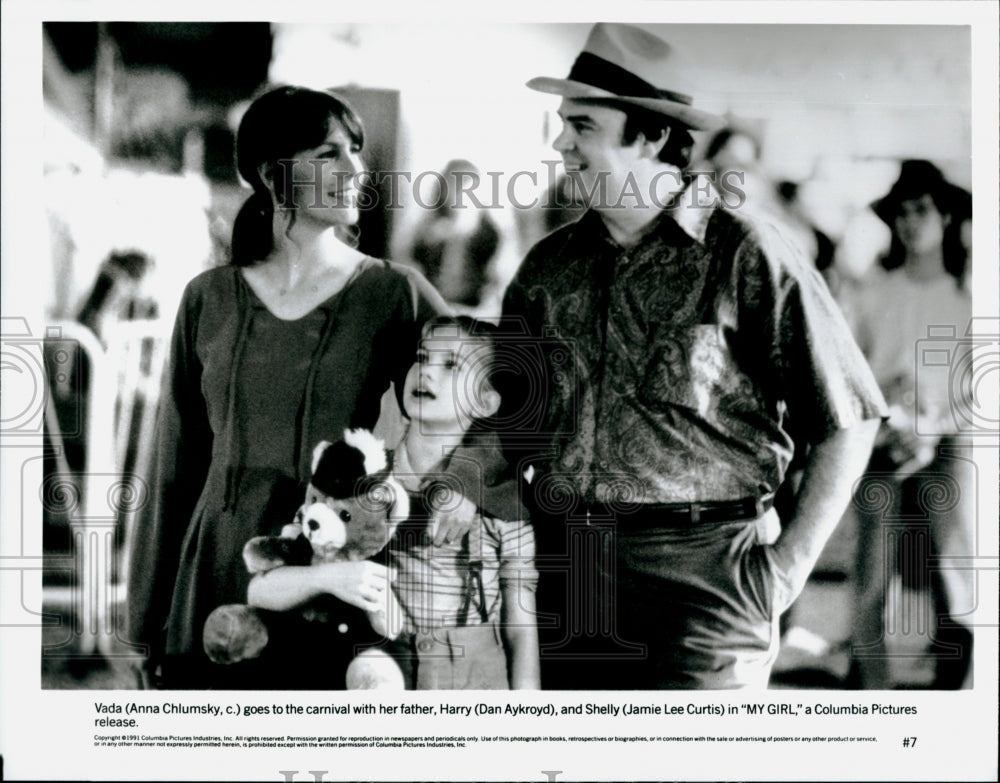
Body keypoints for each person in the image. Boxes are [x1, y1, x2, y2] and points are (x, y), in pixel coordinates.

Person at [498, 23, 888, 689]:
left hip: (710, 576)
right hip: (575, 570)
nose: (560, 142)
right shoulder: (547, 267)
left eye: (582, 124)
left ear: (650, 136)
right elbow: (510, 426)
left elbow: (850, 414)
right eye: (563, 123)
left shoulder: (747, 251)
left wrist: (787, 568)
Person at [126, 85, 452, 689]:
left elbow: (488, 397)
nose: (356, 169)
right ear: (274, 176)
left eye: (355, 150)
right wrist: (146, 619)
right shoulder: (208, 299)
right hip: (214, 574)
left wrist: (403, 513)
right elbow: (174, 463)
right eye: (328, 154)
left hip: (333, 576)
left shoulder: (392, 293)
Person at [845, 159, 974, 689]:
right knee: (874, 565)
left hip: (949, 440)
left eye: (921, 209)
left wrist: (936, 424)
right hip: (885, 438)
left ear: (946, 216)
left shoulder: (969, 296)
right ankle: (870, 684)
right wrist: (889, 411)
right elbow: (854, 370)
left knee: (952, 559)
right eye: (900, 212)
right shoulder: (877, 290)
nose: (910, 222)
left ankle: (953, 684)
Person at [374, 315, 540, 689]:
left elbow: (521, 625)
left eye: (451, 365)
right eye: (422, 357)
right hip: (383, 673)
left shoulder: (504, 502)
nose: (426, 372)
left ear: (485, 402)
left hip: (474, 682)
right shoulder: (369, 477)